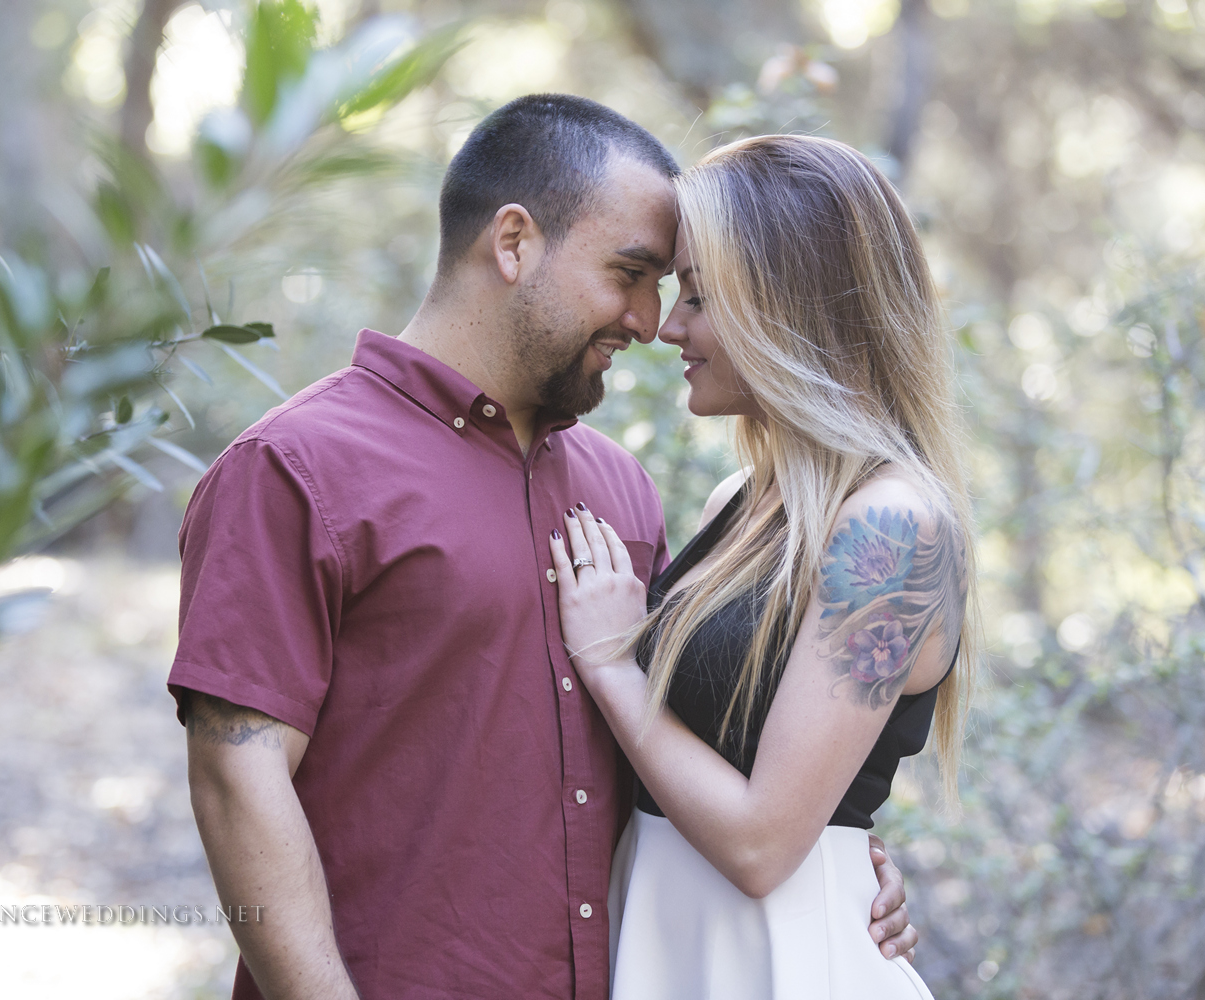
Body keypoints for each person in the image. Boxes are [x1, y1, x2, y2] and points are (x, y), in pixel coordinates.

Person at [167, 97, 919, 1000]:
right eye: (631, 273)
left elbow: (704, 740)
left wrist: (835, 872)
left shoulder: (619, 489)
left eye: (669, 287)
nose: (649, 322)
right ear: (514, 243)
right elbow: (234, 784)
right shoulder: (296, 470)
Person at [547, 134, 977, 999]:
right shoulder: (736, 506)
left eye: (699, 297)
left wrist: (605, 662)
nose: (668, 327)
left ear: (790, 310)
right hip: (675, 949)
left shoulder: (893, 529)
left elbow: (761, 845)